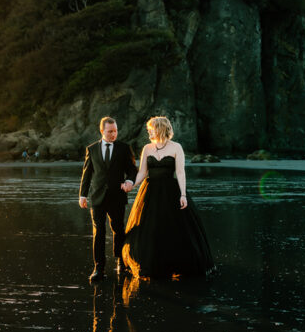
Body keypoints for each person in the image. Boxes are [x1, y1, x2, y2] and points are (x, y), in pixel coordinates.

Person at [122, 116, 215, 279]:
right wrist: (131, 185)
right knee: (150, 229)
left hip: (171, 192)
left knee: (174, 229)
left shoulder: (176, 147)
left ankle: (176, 264)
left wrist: (183, 194)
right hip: (150, 193)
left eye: (151, 128)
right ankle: (151, 264)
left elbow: (180, 172)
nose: (149, 131)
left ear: (159, 128)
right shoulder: (147, 148)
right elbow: (143, 173)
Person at [79, 116, 138, 283]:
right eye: (110, 131)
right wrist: (82, 195)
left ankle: (121, 262)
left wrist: (129, 181)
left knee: (118, 229)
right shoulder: (92, 149)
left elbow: (133, 170)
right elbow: (87, 174)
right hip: (97, 197)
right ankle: (99, 267)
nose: (113, 134)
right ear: (102, 131)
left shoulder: (124, 148)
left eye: (115, 131)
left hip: (117, 197)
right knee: (99, 232)